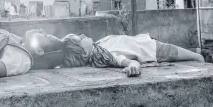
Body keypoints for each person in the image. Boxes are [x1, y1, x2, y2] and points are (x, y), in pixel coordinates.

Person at [61, 33, 205, 77]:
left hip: (146, 43)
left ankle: (203, 55)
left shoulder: (97, 48)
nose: (82, 35)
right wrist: (133, 67)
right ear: (84, 52)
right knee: (197, 57)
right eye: (80, 39)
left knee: (194, 54)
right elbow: (128, 61)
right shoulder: (105, 55)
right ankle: (203, 60)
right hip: (154, 50)